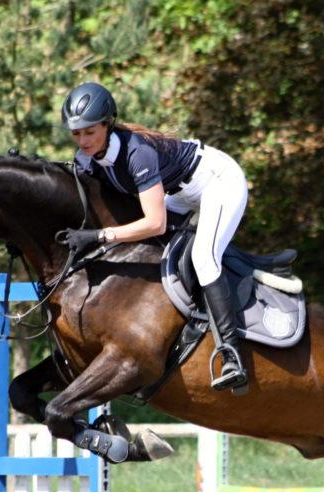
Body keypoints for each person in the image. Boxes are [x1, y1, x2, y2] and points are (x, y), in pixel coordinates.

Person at [60, 81, 249, 392]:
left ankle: (231, 353)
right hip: (177, 193)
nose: (83, 141)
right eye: (76, 134)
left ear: (108, 124)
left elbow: (155, 222)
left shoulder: (138, 153)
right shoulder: (87, 159)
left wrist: (100, 235)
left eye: (90, 132)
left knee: (203, 257)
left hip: (216, 181)